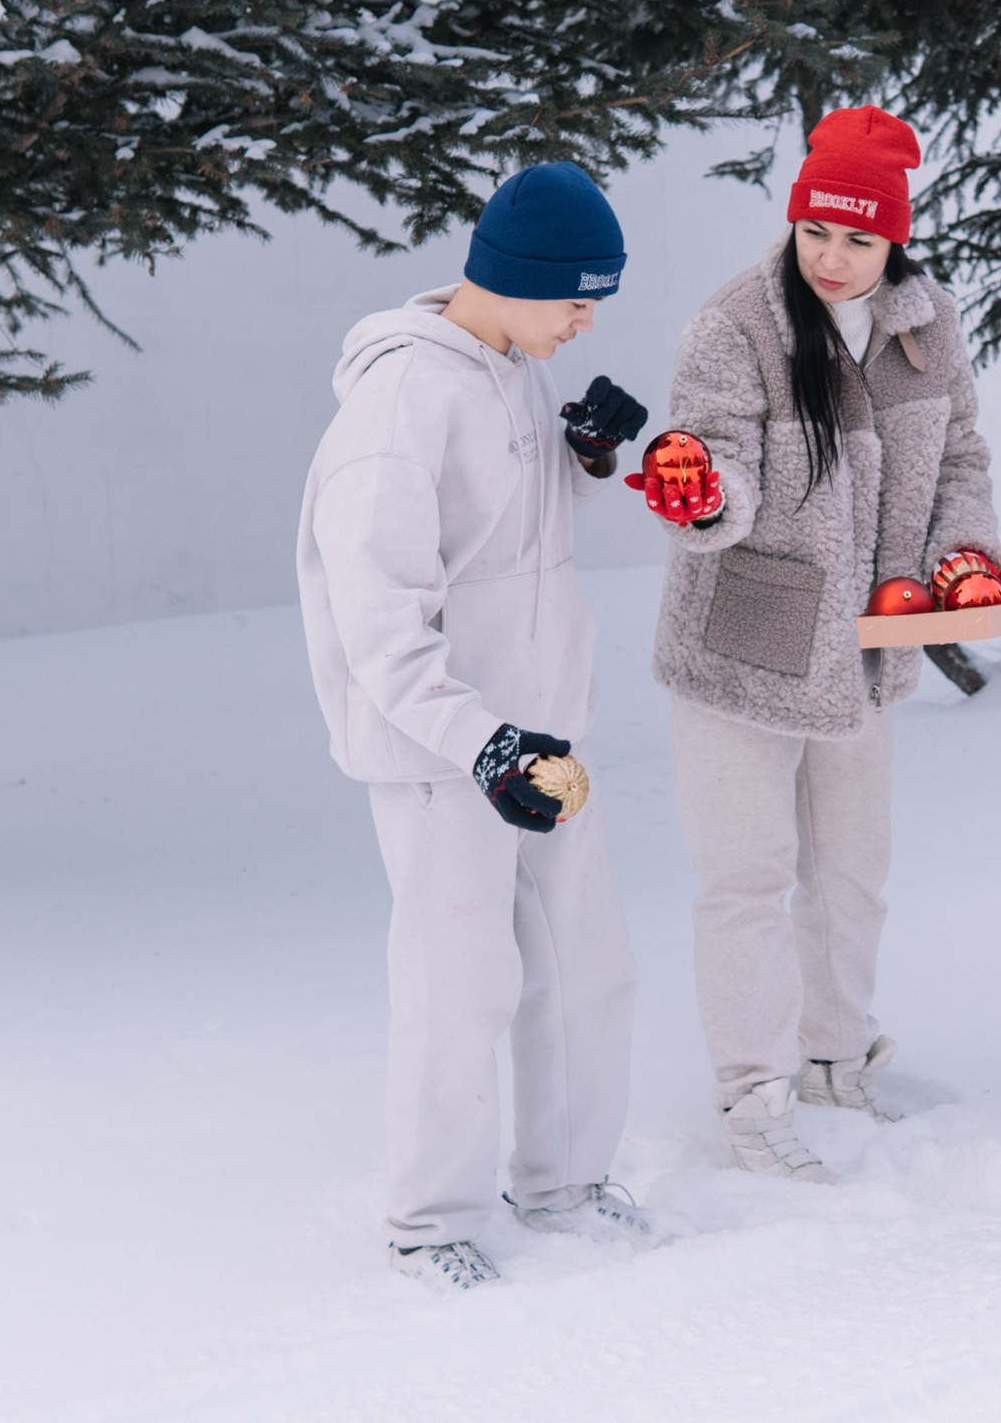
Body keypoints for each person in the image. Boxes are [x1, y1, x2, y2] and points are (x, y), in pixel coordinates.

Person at [295, 161, 655, 1289]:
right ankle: (428, 1221)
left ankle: (563, 1180)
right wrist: (479, 742)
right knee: (461, 985)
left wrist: (581, 457)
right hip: (448, 752)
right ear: (509, 279)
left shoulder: (512, 367)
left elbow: (506, 536)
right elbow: (377, 610)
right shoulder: (400, 402)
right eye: (575, 298)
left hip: (542, 729)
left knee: (583, 968)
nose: (587, 318)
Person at [640, 107, 998, 1179]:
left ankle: (834, 1058)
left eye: (858, 239)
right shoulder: (735, 325)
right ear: (793, 224)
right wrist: (705, 496)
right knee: (746, 877)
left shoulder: (924, 325)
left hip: (865, 650)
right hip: (744, 645)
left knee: (851, 873)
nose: (832, 259)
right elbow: (716, 456)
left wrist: (964, 551)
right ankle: (752, 1095)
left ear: (895, 241)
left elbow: (963, 458)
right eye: (815, 234)